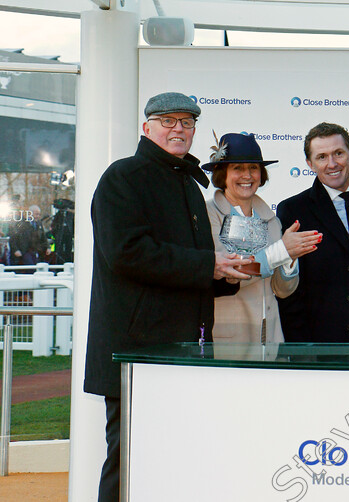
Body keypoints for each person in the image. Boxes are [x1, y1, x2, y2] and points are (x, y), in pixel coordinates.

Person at [84, 92, 252, 502]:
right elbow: (126, 254)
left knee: (175, 461)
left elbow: (186, 267)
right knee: (127, 462)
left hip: (183, 352)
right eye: (168, 120)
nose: (179, 128)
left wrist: (225, 274)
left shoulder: (187, 184)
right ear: (147, 128)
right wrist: (206, 265)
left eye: (187, 122)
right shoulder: (123, 177)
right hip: (136, 353)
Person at [203, 132, 320, 350]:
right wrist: (280, 252)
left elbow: (283, 290)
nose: (247, 175)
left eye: (253, 168)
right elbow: (230, 273)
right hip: (228, 342)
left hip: (270, 339)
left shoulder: (272, 221)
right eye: (238, 168)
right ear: (222, 174)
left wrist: (289, 260)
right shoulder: (209, 214)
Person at [276, 123, 349, 342]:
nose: (332, 164)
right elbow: (291, 291)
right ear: (310, 164)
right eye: (322, 157)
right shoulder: (294, 210)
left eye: (338, 153)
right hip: (321, 343)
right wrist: (302, 349)